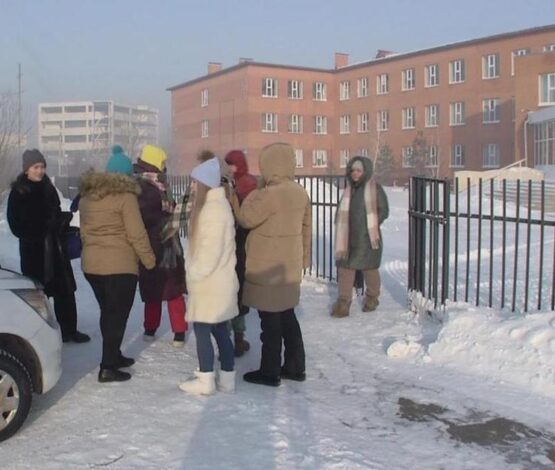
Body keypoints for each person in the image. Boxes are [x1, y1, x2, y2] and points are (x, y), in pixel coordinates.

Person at [79, 148, 156, 382]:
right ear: (126, 175)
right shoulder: (125, 197)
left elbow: (84, 232)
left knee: (109, 312)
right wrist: (149, 260)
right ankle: (108, 366)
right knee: (117, 315)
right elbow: (136, 233)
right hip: (119, 266)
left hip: (92, 266)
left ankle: (114, 354)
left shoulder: (87, 197)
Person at [239, 142, 311, 387]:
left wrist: (253, 193)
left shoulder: (268, 194)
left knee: (269, 321)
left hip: (268, 266)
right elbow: (306, 229)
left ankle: (269, 371)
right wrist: (304, 261)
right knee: (287, 316)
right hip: (289, 265)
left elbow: (247, 218)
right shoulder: (300, 192)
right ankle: (295, 365)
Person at [7, 149, 90, 344]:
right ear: (27, 169)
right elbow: (16, 225)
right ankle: (38, 334)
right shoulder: (19, 192)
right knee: (38, 294)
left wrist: (62, 220)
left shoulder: (48, 187)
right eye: (36, 167)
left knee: (65, 292)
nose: (40, 171)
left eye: (42, 167)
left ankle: (69, 330)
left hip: (56, 249)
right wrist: (44, 227)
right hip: (34, 252)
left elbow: (55, 211)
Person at [179, 157, 238, 395]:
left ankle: (205, 379)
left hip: (209, 283)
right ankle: (227, 378)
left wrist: (193, 274)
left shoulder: (212, 211)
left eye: (195, 182)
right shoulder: (218, 207)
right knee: (220, 329)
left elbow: (209, 253)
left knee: (203, 329)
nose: (192, 186)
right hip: (219, 283)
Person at [134, 145, 188, 347]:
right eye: (162, 163)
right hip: (160, 245)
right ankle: (177, 331)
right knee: (169, 289)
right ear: (155, 163)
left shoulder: (152, 184)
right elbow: (148, 216)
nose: (165, 167)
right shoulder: (148, 187)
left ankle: (154, 328)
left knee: (156, 289)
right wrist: (167, 219)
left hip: (159, 244)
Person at [331, 156, 389, 318]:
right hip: (347, 239)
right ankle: (343, 303)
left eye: (359, 170)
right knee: (345, 269)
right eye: (353, 170)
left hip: (367, 238)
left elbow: (383, 210)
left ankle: (372, 298)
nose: (355, 173)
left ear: (365, 172)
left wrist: (369, 225)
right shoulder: (349, 190)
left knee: (369, 269)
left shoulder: (374, 189)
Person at [224, 150, 258, 357]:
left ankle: (236, 338)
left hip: (241, 241)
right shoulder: (234, 182)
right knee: (236, 292)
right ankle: (236, 338)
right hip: (235, 241)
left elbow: (245, 216)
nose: (230, 168)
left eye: (232, 164)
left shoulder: (246, 184)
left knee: (237, 292)